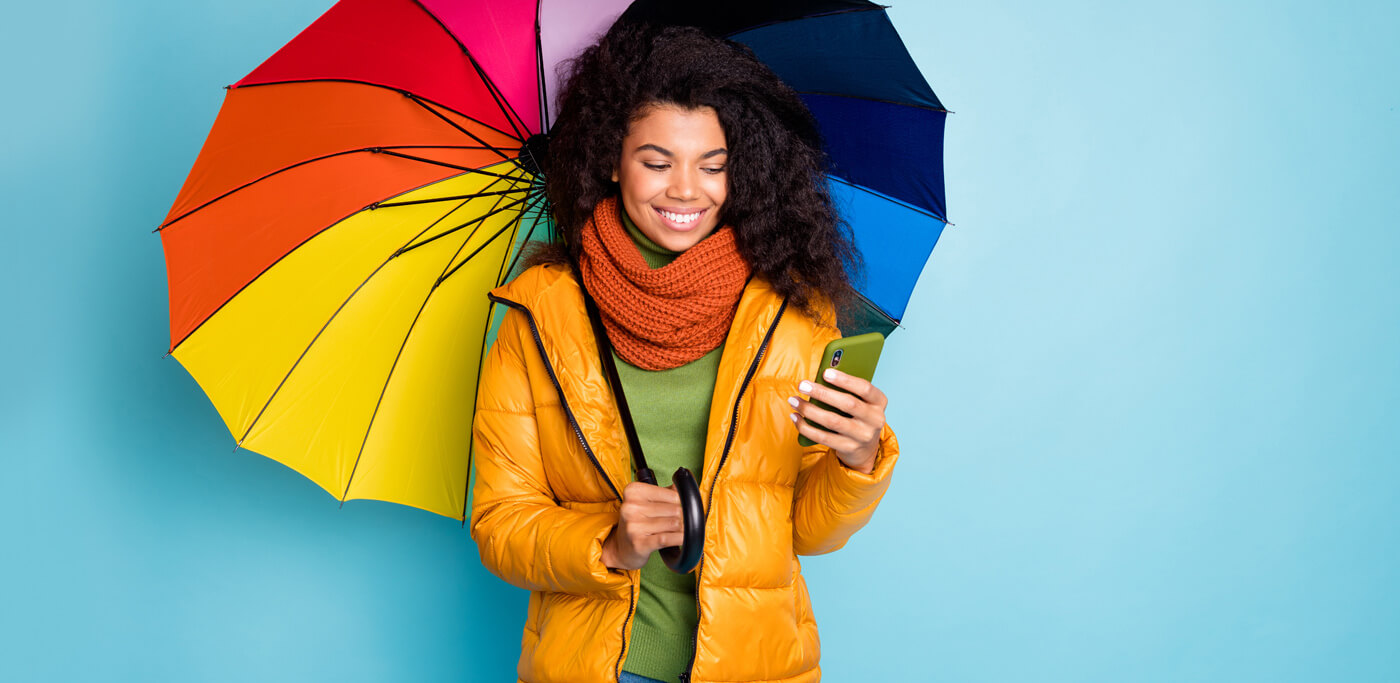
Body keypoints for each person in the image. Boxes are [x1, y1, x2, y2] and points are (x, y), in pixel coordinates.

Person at [470, 21, 900, 683]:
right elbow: (501, 523)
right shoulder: (540, 314)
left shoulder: (794, 313)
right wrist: (608, 542)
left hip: (754, 665)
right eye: (657, 162)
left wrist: (857, 459)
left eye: (712, 165)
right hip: (603, 666)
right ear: (611, 160)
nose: (686, 190)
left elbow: (808, 533)